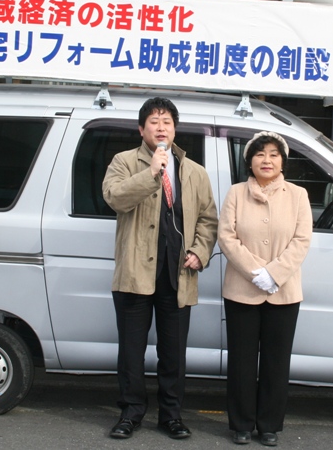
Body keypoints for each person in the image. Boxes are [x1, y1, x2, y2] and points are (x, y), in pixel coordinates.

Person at [102, 97, 218, 440]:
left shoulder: (194, 171)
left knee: (173, 353)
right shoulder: (124, 162)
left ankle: (171, 416)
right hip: (134, 274)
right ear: (142, 129)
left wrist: (200, 251)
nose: (161, 127)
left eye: (167, 122)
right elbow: (115, 197)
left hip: (177, 274)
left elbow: (209, 219)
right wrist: (151, 172)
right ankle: (130, 413)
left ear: (175, 129)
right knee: (131, 352)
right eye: (154, 122)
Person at [217, 131, 312, 447]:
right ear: (249, 161)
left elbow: (302, 240)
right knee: (241, 361)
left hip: (284, 292)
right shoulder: (235, 193)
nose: (266, 160)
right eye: (260, 154)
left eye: (273, 154)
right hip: (241, 289)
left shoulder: (298, 195)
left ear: (283, 161)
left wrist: (274, 274)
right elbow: (226, 237)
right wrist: (255, 272)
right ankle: (241, 424)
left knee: (276, 361)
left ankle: (269, 425)